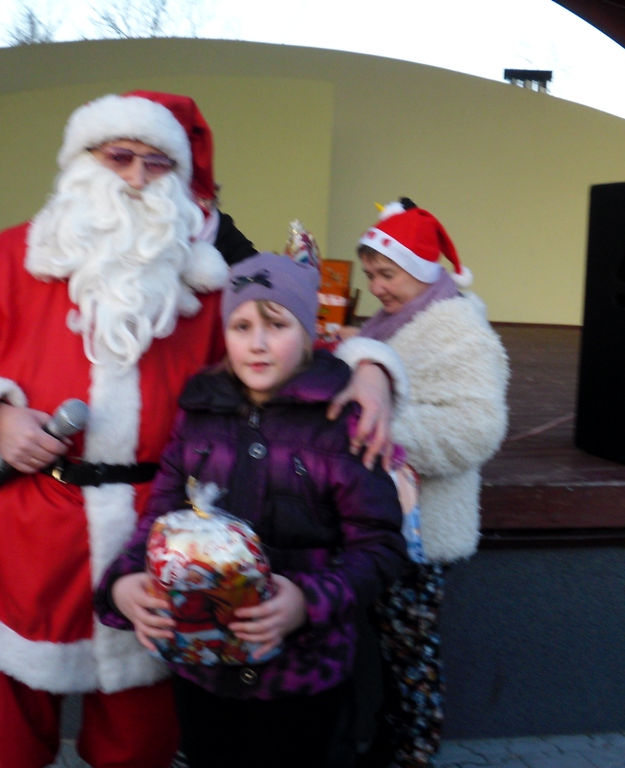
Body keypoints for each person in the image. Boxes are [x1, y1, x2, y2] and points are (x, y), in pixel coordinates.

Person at [0, 91, 401, 768]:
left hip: (160, 544)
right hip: (18, 539)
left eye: (158, 163)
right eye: (120, 157)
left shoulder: (204, 282)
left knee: (137, 750)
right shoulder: (7, 259)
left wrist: (372, 367)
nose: (138, 177)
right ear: (84, 161)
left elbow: (281, 343)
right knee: (10, 749)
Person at [95, 251, 409, 768]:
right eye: (241, 326)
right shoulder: (199, 414)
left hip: (304, 680)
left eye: (277, 324)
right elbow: (158, 521)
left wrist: (308, 601)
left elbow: (380, 547)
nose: (257, 343)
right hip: (203, 672)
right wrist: (123, 584)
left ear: (307, 332)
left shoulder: (342, 424)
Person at [350, 199, 509, 768]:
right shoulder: (397, 321)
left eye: (386, 274)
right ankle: (393, 743)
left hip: (422, 533)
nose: (376, 287)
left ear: (420, 269)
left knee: (409, 654)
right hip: (385, 519)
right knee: (395, 648)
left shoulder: (458, 332)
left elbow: (475, 428)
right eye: (371, 274)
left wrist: (378, 433)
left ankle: (412, 751)